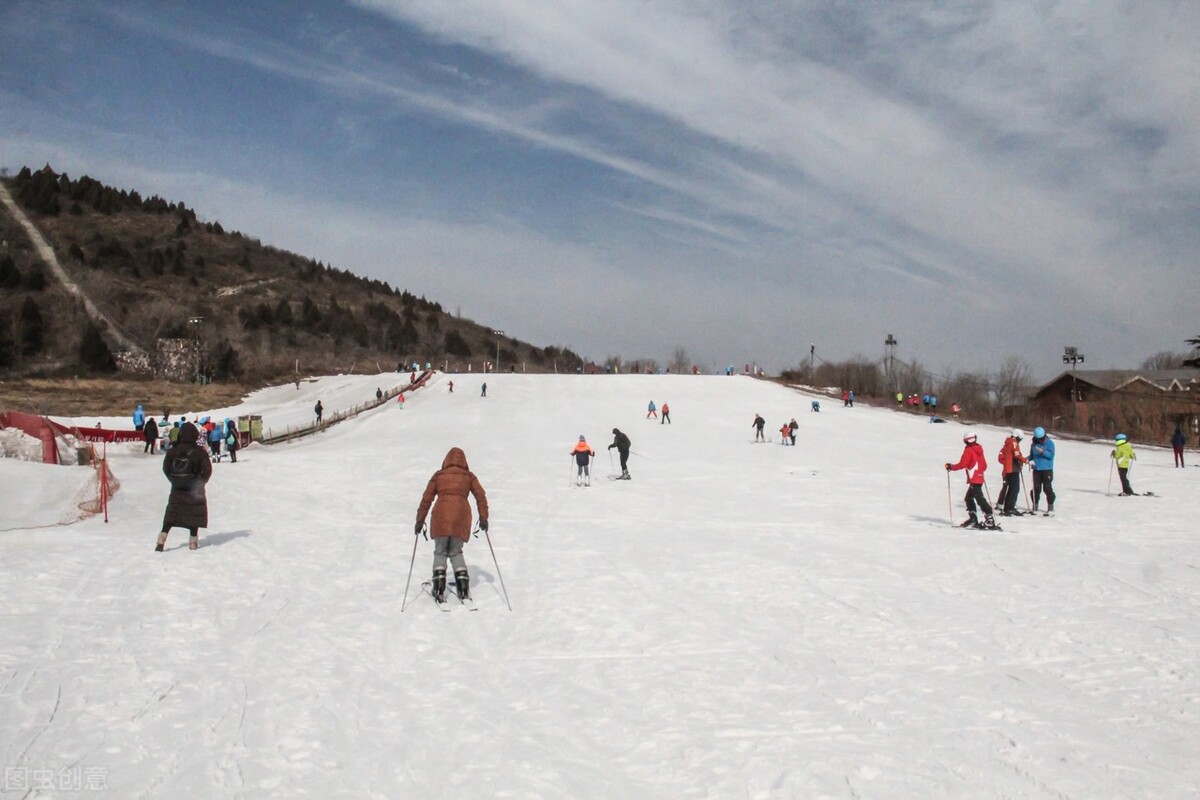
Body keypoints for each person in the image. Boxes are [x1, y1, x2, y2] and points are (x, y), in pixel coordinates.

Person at [414, 447, 489, 605]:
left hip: (440, 517)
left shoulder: (439, 476)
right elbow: (480, 496)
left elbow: (426, 498)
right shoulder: (469, 476)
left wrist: (420, 520)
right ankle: (463, 587)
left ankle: (439, 588)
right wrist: (484, 518)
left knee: (440, 551)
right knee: (455, 552)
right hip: (461, 518)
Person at [156, 421, 212, 552]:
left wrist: (174, 480)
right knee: (194, 515)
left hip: (177, 489)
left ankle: (161, 540)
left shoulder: (173, 450)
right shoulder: (199, 452)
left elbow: (166, 468)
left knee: (171, 515)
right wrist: (199, 483)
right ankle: (193, 542)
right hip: (194, 490)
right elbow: (207, 470)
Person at [945, 432, 997, 529]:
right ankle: (973, 518)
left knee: (979, 498)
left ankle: (989, 518)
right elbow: (984, 466)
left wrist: (951, 467)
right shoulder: (979, 449)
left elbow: (963, 464)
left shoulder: (968, 450)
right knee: (969, 498)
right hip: (980, 478)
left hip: (974, 478)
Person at [996, 429, 1028, 516]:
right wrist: (1026, 460)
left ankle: (1008, 507)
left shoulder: (1008, 442)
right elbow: (1016, 455)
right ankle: (1009, 508)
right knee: (1014, 489)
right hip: (1012, 469)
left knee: (1011, 489)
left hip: (1009, 468)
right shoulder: (1014, 442)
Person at [1028, 426, 1056, 514]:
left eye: (1041, 439)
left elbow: (1051, 455)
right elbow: (1032, 455)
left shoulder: (1050, 443)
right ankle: (1035, 506)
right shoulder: (1034, 444)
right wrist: (1026, 460)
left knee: (1047, 488)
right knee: (1036, 488)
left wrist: (1042, 452)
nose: (1039, 441)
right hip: (1036, 469)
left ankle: (1050, 506)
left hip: (1047, 469)